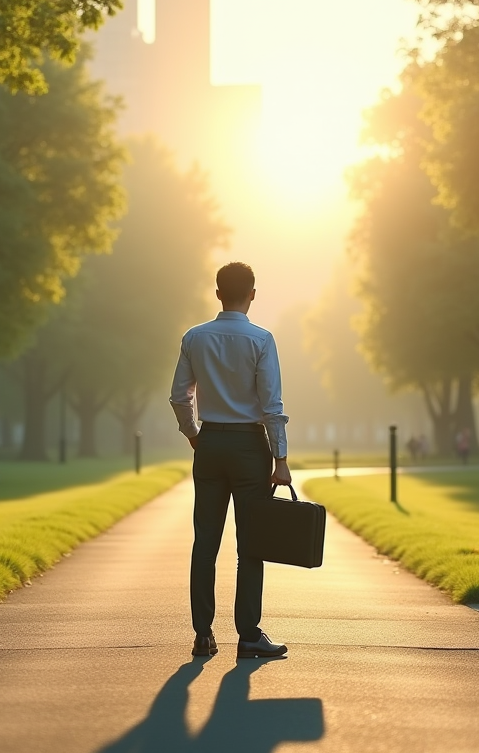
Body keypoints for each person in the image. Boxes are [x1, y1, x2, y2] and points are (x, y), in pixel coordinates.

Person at [170, 262, 292, 661]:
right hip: (248, 448)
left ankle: (203, 634)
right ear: (252, 294)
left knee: (205, 541)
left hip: (210, 443)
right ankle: (248, 635)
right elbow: (272, 405)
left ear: (218, 292)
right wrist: (281, 458)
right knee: (250, 544)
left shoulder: (194, 337)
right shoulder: (261, 340)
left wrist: (193, 435)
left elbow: (179, 395)